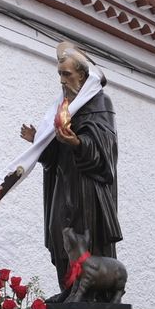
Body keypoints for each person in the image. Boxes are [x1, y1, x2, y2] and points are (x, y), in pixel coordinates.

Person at [21, 42, 121, 291]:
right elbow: (53, 157)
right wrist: (40, 142)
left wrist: (77, 142)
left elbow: (106, 152)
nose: (62, 81)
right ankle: (68, 290)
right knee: (60, 235)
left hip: (87, 189)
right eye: (60, 75)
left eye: (67, 74)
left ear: (83, 76)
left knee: (83, 236)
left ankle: (88, 292)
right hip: (62, 184)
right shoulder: (63, 107)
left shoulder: (100, 103)